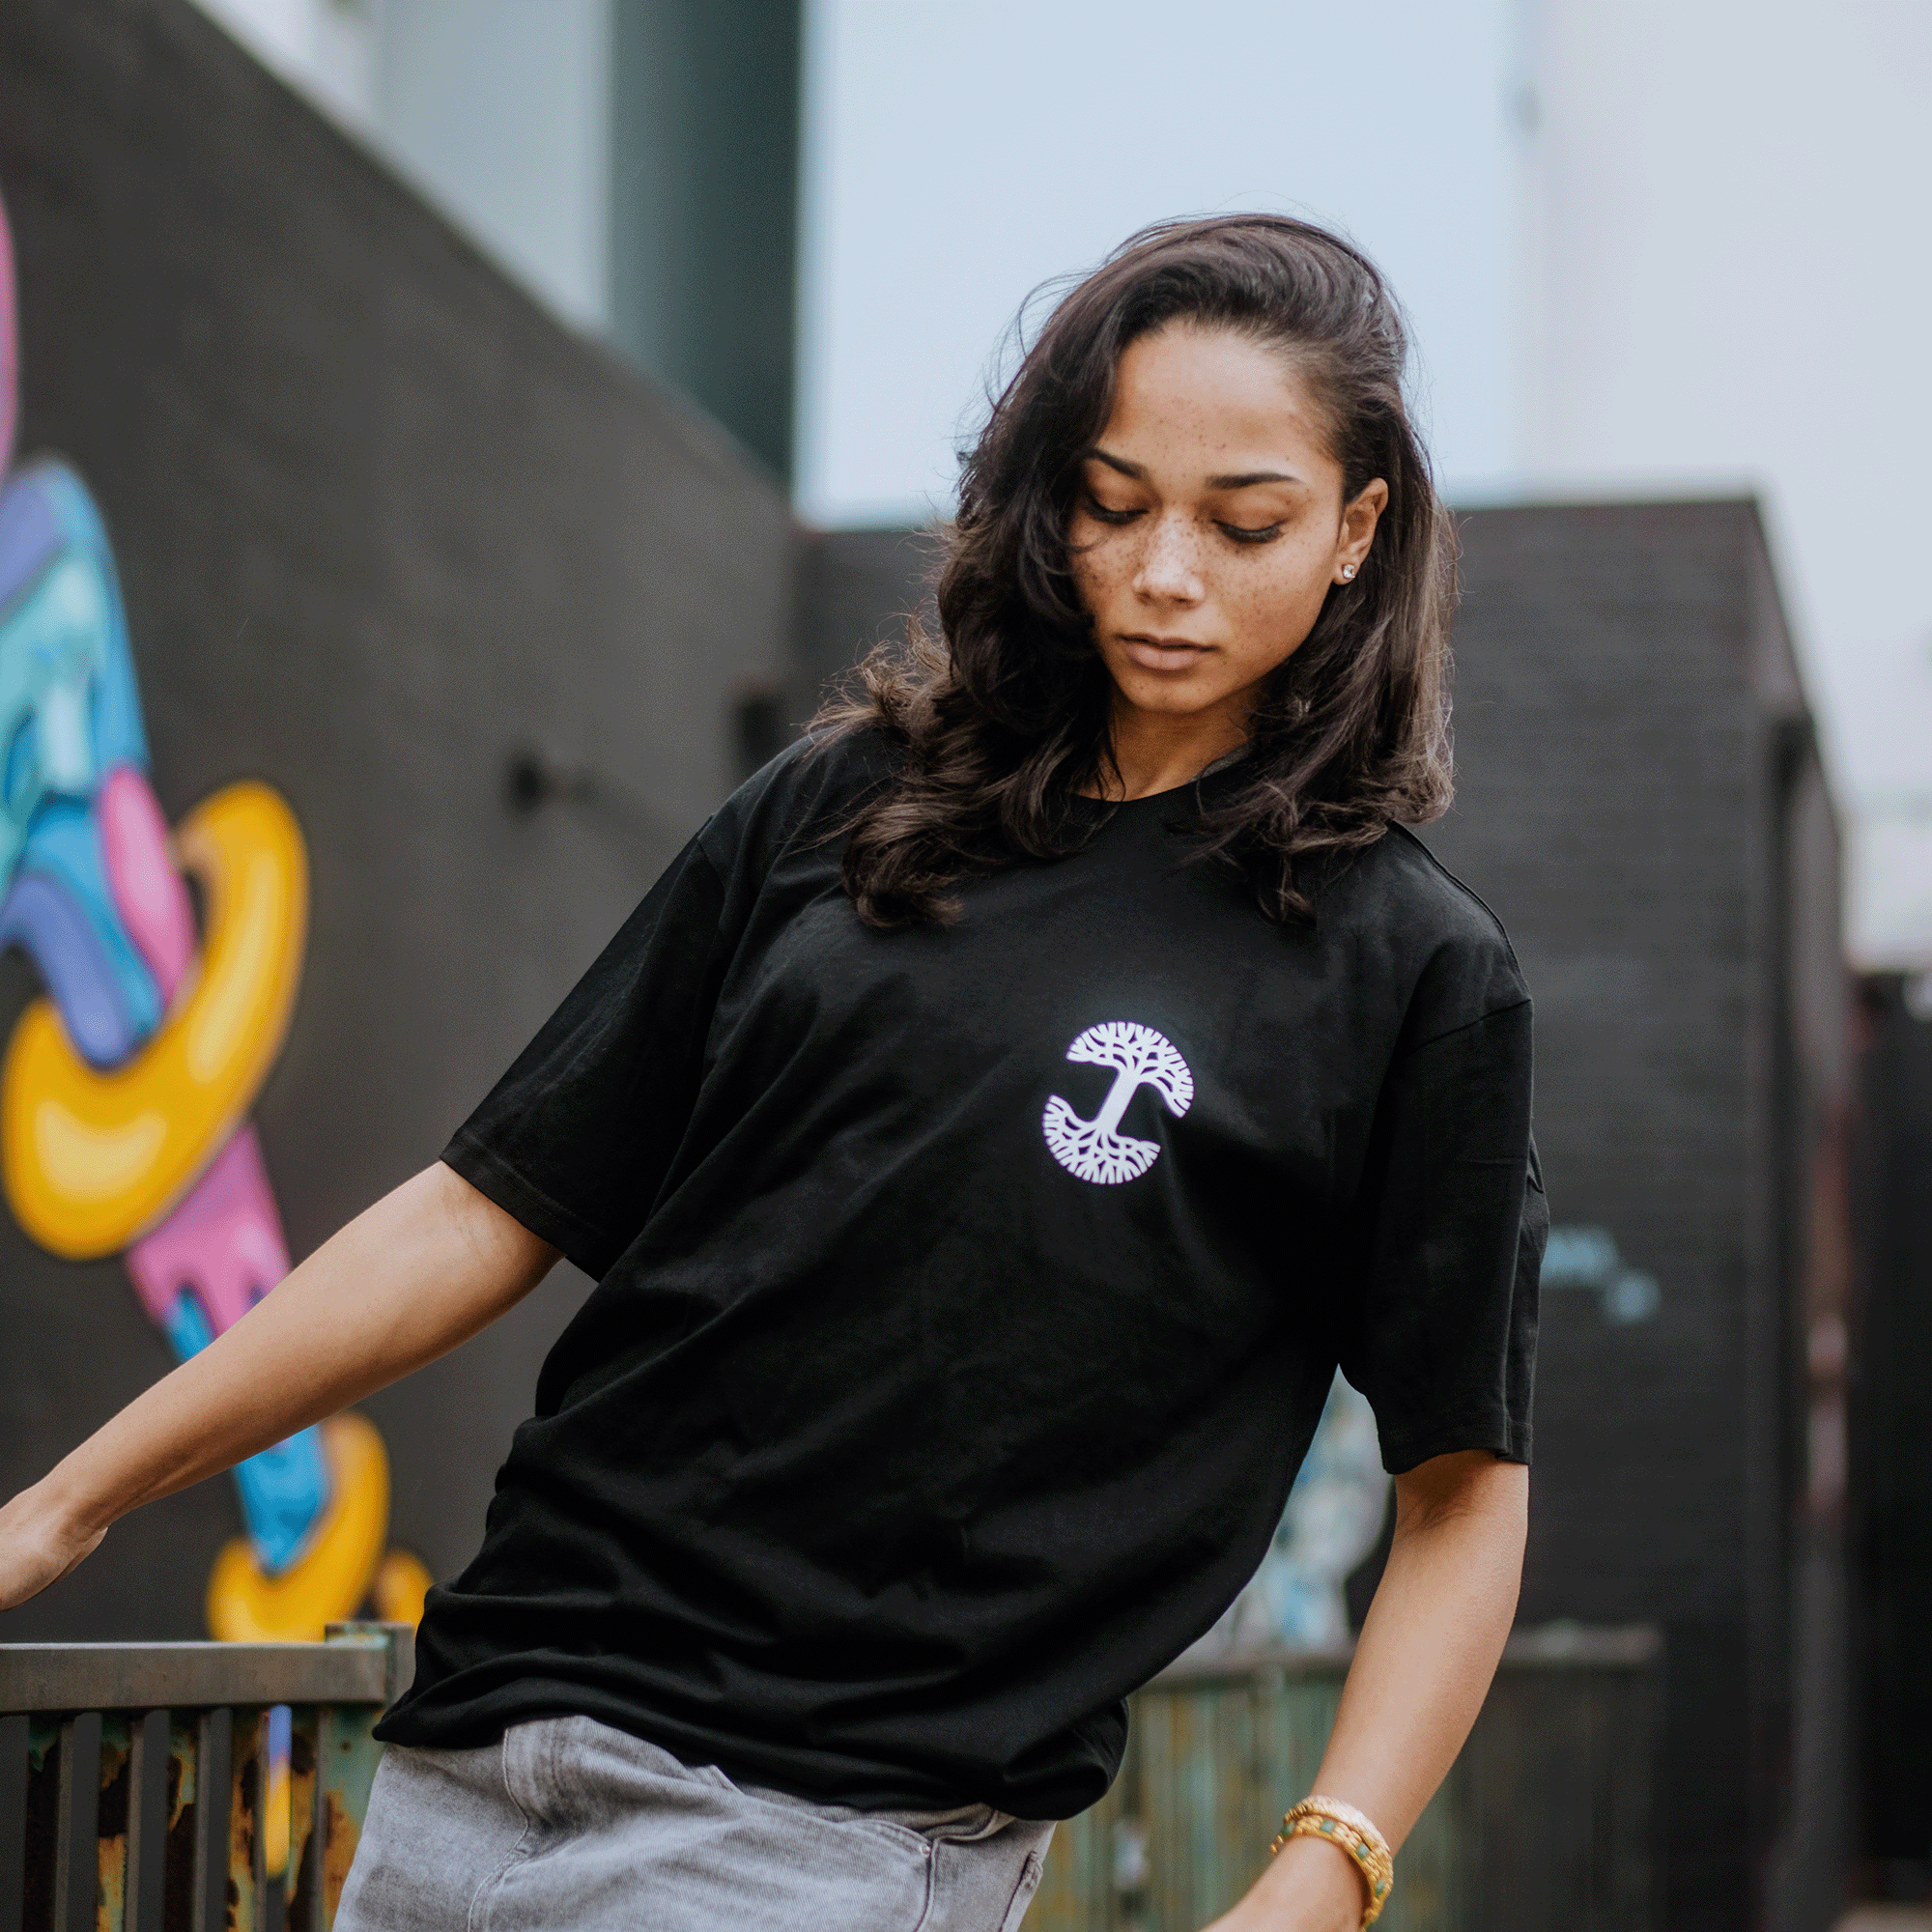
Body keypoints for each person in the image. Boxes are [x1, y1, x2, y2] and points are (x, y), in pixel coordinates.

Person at [0, 214, 1545, 1932]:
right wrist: (60, 1511)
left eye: (1242, 521)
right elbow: (485, 1208)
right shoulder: (848, 803)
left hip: (823, 1845)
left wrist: (1327, 1872)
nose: (1165, 571)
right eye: (1114, 503)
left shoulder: (1405, 972)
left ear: (1356, 530)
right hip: (472, 1759)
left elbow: (1462, 1490)